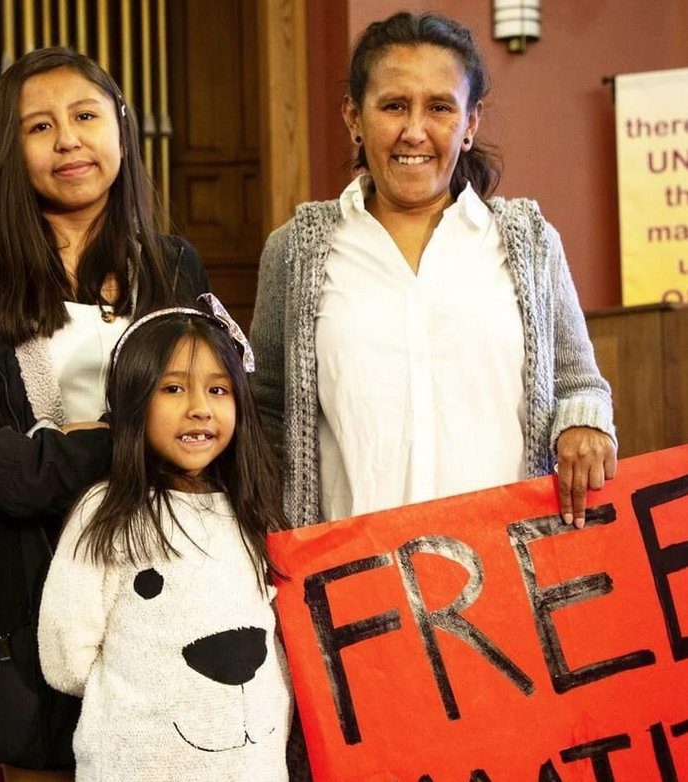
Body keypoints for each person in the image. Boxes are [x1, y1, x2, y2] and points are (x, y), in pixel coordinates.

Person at [0, 47, 210, 772]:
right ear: (9, 152)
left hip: (160, 586)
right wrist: (119, 448)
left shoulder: (171, 265)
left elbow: (219, 422)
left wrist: (81, 443)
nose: (69, 140)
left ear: (120, 127)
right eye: (39, 127)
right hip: (24, 587)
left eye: (85, 116)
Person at [250, 11, 617, 533]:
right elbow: (266, 413)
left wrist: (584, 424)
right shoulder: (295, 251)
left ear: (469, 124)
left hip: (510, 569)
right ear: (354, 117)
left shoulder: (530, 243)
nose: (415, 131)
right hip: (355, 576)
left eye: (440, 107)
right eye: (394, 106)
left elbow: (580, 384)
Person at [38, 295, 292, 781]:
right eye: (173, 388)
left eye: (219, 390)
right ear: (134, 402)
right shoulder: (108, 514)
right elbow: (66, 658)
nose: (200, 409)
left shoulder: (253, 512)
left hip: (249, 762)